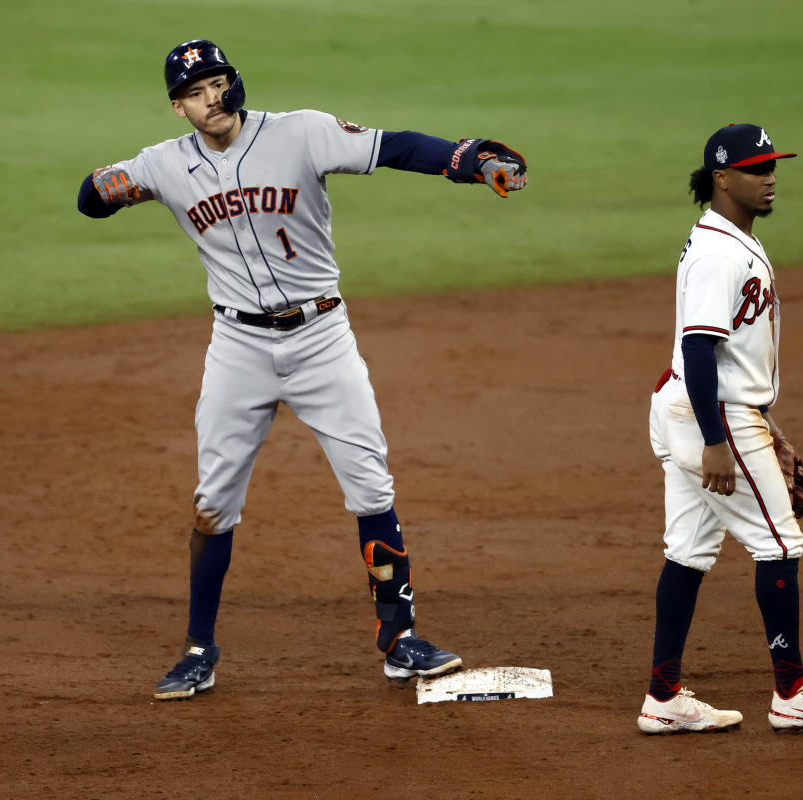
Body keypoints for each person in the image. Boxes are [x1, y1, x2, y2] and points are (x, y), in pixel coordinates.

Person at [76, 39, 527, 700]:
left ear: (237, 83)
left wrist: (470, 160)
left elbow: (395, 146)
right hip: (238, 350)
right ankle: (199, 649)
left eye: (220, 82)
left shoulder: (301, 134)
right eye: (197, 92)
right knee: (213, 502)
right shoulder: (164, 165)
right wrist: (103, 189)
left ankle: (399, 641)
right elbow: (90, 200)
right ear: (178, 107)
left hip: (322, 339)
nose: (213, 98)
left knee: (372, 486)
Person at [637, 123, 803, 733]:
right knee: (779, 544)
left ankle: (664, 698)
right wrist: (721, 441)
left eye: (773, 166)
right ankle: (792, 692)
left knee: (687, 552)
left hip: (694, 410)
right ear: (722, 178)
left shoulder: (728, 236)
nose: (770, 178)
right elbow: (698, 350)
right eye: (755, 168)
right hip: (709, 414)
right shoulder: (720, 252)